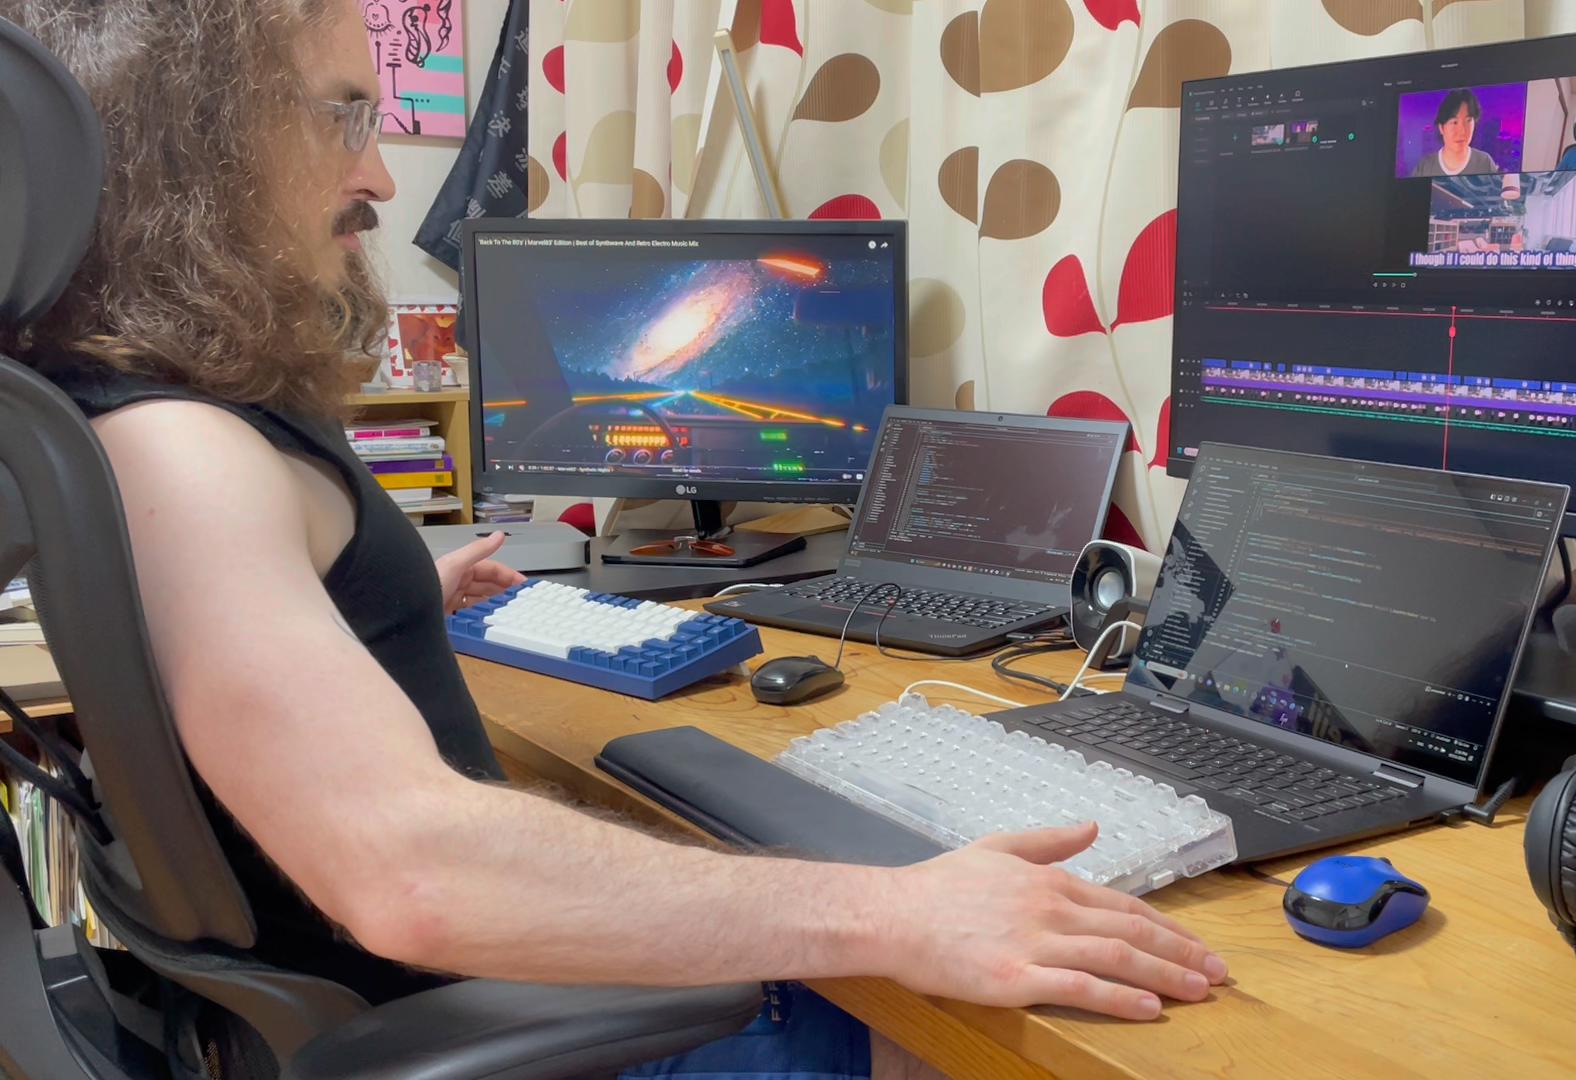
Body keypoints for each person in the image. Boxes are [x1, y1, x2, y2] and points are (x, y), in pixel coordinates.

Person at [0, 0, 1225, 1072]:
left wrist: (384, 593)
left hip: (407, 1005)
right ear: (195, 138)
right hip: (503, 1018)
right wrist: (899, 913)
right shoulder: (183, 453)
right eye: (340, 114)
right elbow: (413, 873)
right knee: (1091, 1022)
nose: (376, 173)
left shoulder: (109, 412)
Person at [1413, 89, 1499, 177]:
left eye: (1468, 121)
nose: (1462, 131)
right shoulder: (1424, 168)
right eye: (1454, 122)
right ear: (1441, 128)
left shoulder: (1485, 163)